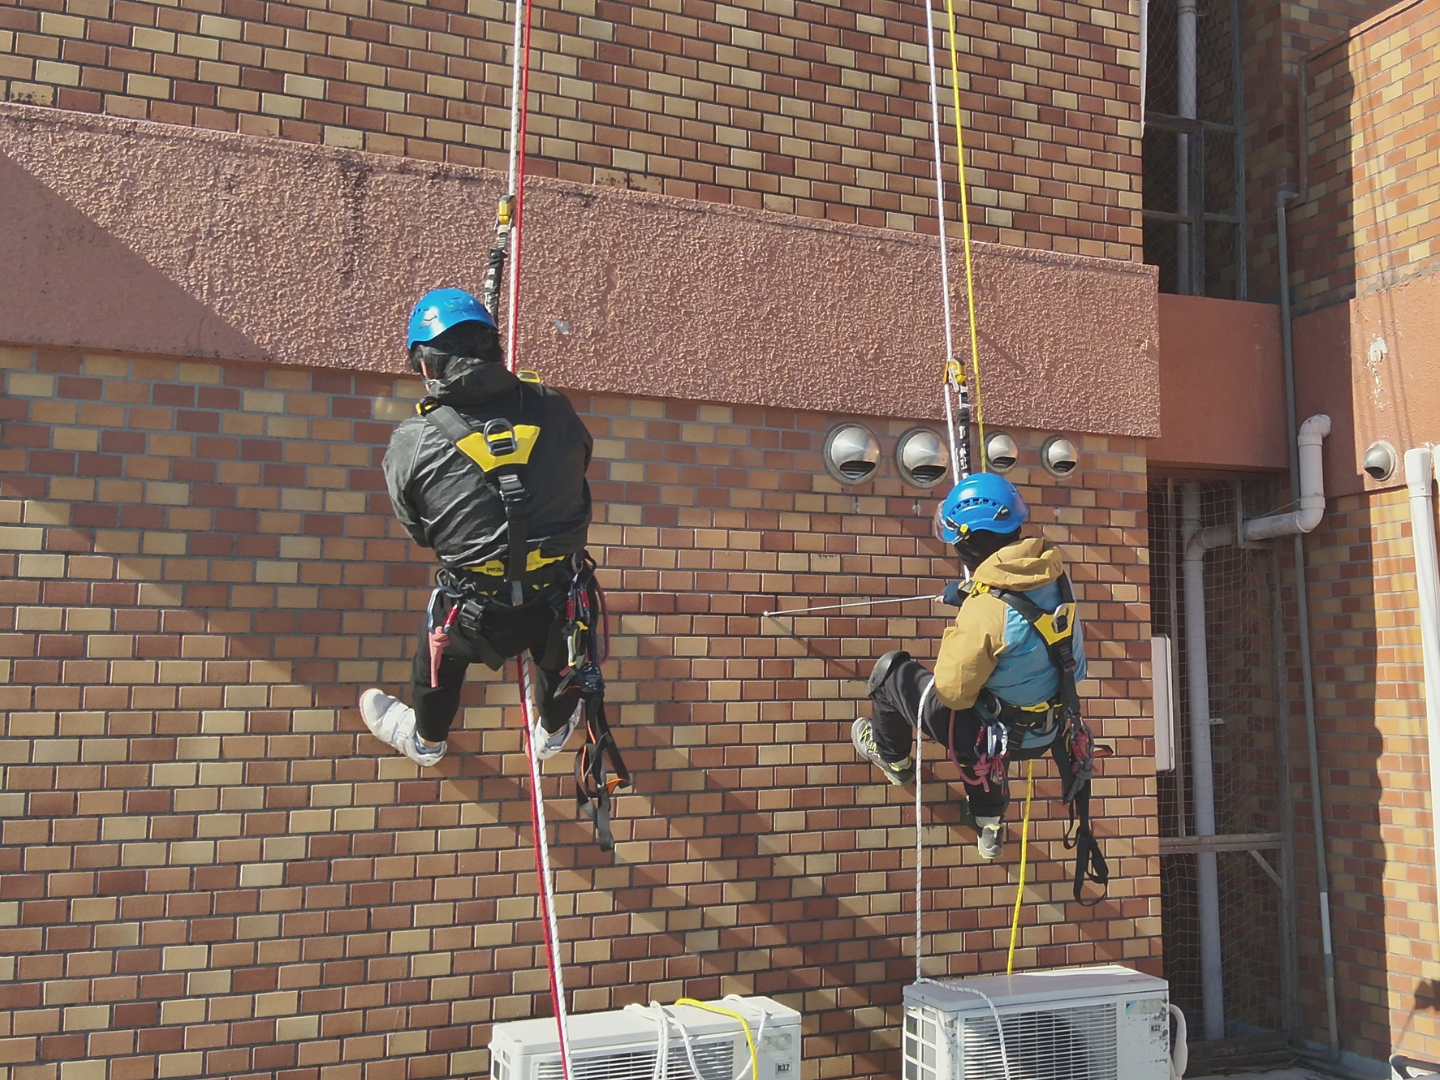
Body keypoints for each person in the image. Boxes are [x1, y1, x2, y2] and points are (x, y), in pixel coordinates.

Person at [359, 288, 595, 768]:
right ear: (494, 348)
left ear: (425, 366)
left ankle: (426, 740)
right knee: (562, 644)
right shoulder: (555, 408)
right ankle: (553, 730)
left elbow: (418, 530)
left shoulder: (413, 440)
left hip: (474, 609)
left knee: (441, 648)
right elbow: (580, 464)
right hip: (552, 595)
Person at [851, 471, 1095, 864]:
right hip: (1049, 730)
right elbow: (1028, 623)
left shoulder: (986, 610)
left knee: (892, 674)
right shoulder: (1055, 578)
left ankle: (894, 760)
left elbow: (952, 692)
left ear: (967, 542)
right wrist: (973, 594)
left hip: (999, 736)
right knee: (984, 720)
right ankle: (988, 821)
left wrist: (971, 616)